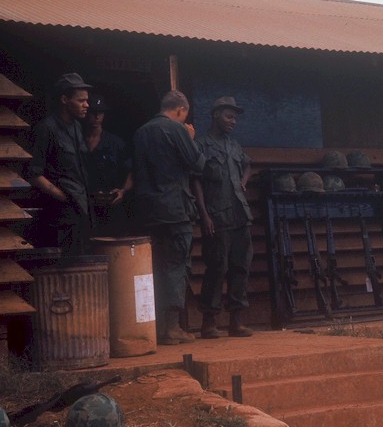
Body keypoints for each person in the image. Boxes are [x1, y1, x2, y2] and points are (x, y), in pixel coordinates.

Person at [132, 90, 205, 346]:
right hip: (175, 211)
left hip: (150, 213)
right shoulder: (176, 130)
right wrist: (191, 138)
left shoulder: (141, 132)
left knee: (154, 268)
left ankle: (154, 327)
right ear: (180, 111)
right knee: (176, 266)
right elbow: (198, 164)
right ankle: (172, 328)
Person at [192, 96, 254, 339]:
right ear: (215, 115)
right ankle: (209, 323)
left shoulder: (234, 145)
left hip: (240, 215)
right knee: (217, 268)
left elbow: (248, 165)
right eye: (229, 116)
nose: (233, 121)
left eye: (235, 118)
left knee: (241, 267)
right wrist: (204, 215)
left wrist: (243, 182)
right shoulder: (201, 145)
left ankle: (235, 322)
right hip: (216, 217)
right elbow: (195, 180)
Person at [24, 72, 93, 255]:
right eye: (81, 100)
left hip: (80, 212)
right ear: (64, 99)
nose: (87, 105)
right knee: (64, 269)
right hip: (58, 218)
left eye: (86, 100)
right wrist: (61, 196)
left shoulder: (78, 128)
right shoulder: (46, 129)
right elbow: (34, 174)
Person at [82, 94, 132, 237]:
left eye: (100, 113)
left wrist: (123, 190)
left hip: (111, 208)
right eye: (93, 113)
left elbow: (131, 170)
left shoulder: (116, 143)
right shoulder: (76, 141)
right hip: (85, 206)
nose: (97, 117)